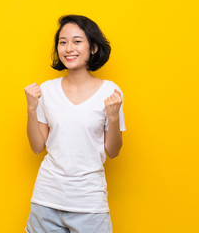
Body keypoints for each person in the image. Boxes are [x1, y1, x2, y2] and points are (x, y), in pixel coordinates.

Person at [24, 14, 126, 233]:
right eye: (63, 42)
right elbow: (37, 146)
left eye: (77, 41)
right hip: (46, 201)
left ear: (93, 48)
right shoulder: (47, 90)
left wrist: (114, 117)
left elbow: (114, 151)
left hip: (89, 204)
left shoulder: (110, 92)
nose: (69, 48)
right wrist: (31, 109)